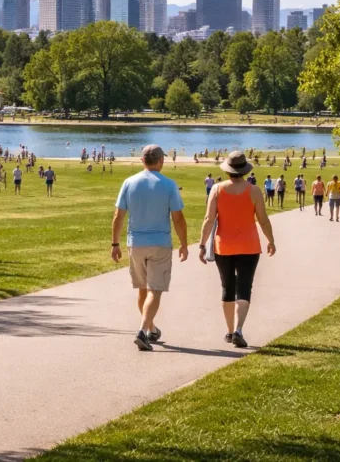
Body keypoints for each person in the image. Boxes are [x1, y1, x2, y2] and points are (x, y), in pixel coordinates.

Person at [111, 145, 188, 351]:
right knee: (155, 290)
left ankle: (151, 328)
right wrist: (184, 244)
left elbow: (118, 216)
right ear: (161, 161)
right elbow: (178, 219)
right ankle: (143, 331)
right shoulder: (169, 185)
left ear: (142, 161)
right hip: (160, 243)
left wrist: (115, 243)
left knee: (142, 289)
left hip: (135, 243)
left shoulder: (129, 183)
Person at [198, 151, 276, 348]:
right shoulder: (255, 191)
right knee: (244, 287)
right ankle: (239, 329)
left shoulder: (216, 189)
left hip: (223, 246)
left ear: (228, 170)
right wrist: (271, 240)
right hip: (249, 246)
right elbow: (263, 220)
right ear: (244, 170)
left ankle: (230, 330)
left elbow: (209, 220)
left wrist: (201, 244)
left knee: (227, 287)